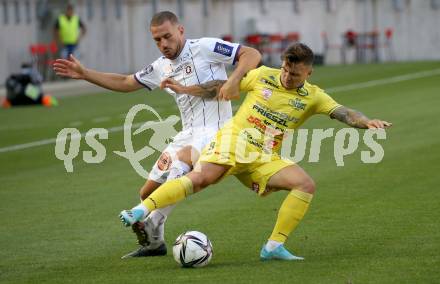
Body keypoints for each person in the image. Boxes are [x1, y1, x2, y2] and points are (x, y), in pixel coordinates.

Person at [119, 43, 392, 261]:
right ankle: (140, 211)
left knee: (305, 184)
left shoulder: (314, 96)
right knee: (202, 179)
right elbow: (220, 88)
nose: (286, 76)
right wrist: (186, 88)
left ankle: (273, 247)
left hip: (263, 157)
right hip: (233, 141)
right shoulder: (264, 76)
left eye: (294, 74)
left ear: (309, 73)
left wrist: (365, 122)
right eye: (285, 69)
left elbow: (344, 112)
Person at [53, 11, 261, 257]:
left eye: (167, 37)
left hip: (216, 131)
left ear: (180, 31)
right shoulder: (161, 66)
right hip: (188, 133)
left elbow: (251, 54)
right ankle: (155, 243)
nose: (163, 44)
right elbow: (126, 82)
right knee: (148, 193)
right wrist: (86, 73)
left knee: (181, 163)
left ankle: (151, 220)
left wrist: (235, 79)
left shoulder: (204, 47)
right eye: (157, 40)